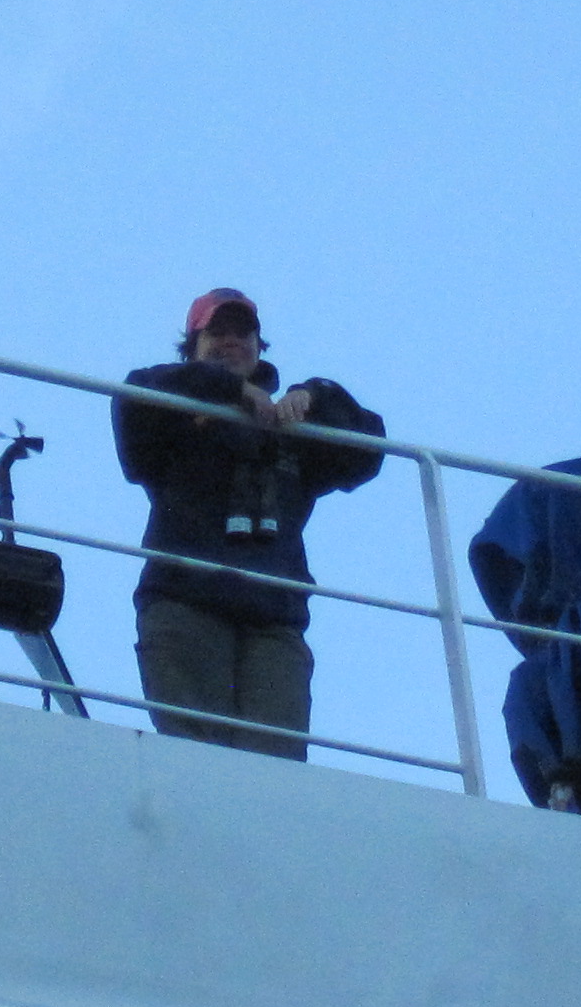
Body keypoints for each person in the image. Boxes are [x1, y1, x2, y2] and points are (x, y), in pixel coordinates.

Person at [112, 288, 385, 760]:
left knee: (273, 772)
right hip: (185, 604)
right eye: (216, 332)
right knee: (194, 762)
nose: (232, 341)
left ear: (260, 347)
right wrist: (227, 391)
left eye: (244, 332)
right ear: (192, 348)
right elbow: (133, 397)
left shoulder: (291, 431)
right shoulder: (170, 415)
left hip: (274, 622)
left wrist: (313, 396)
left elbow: (369, 447)